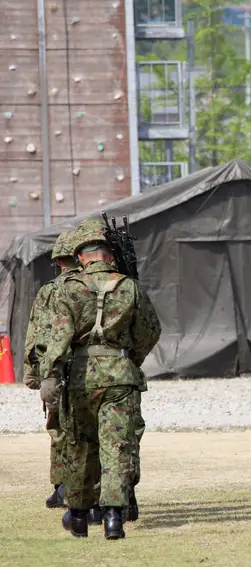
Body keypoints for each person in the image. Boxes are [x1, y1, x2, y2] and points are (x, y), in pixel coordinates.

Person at [30, 220, 160, 539]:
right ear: (109, 255)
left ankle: (78, 514)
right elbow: (149, 331)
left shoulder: (66, 289)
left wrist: (49, 376)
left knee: (80, 446)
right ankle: (114, 517)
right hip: (120, 377)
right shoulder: (129, 286)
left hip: (79, 379)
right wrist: (129, 359)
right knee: (117, 446)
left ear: (81, 257)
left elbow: (58, 338)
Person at [22, 227, 104, 525]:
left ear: (58, 261)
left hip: (59, 369)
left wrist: (35, 374)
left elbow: (37, 335)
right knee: (96, 432)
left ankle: (64, 488)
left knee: (61, 430)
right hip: (96, 370)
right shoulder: (101, 284)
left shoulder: (51, 290)